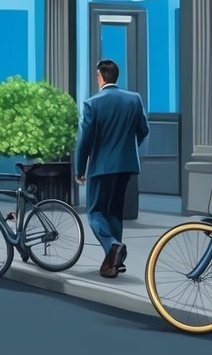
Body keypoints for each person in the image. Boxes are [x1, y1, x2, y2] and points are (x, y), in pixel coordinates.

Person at [74, 59, 149, 278]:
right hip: (126, 166)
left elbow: (85, 140)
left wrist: (80, 168)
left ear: (100, 76)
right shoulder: (134, 99)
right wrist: (127, 148)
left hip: (101, 167)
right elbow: (143, 130)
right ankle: (114, 262)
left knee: (96, 212)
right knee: (115, 211)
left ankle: (113, 246)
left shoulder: (92, 103)